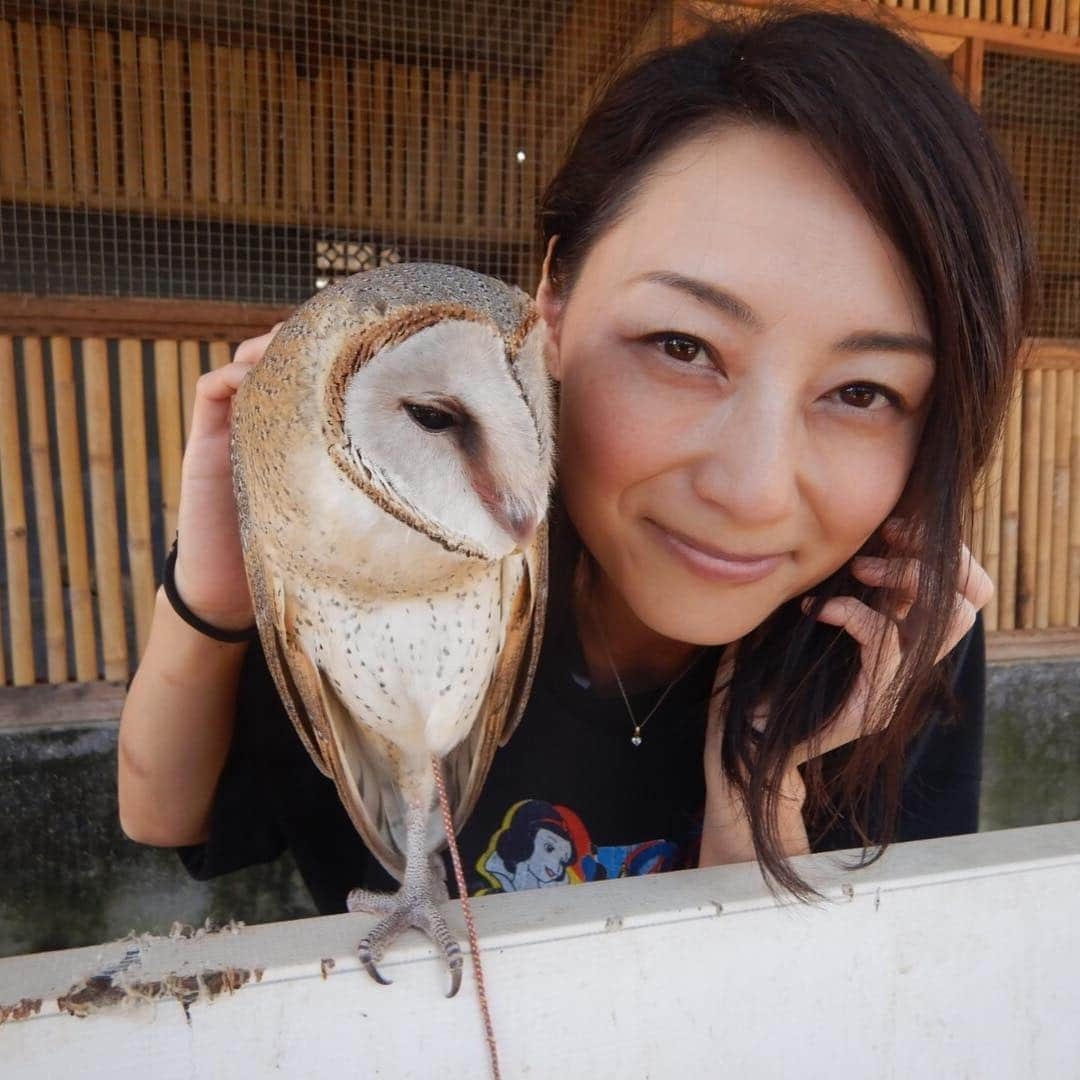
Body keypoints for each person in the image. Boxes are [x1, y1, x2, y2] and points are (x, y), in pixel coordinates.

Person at [118, 6, 1034, 910]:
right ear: (552, 302)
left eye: (863, 392)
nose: (753, 493)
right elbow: (165, 816)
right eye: (683, 346)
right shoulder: (408, 535)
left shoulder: (886, 625)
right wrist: (214, 599)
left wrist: (761, 789)